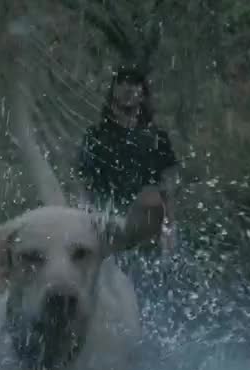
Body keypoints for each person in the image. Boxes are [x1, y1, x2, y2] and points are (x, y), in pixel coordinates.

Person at [74, 66, 181, 261]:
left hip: (144, 226)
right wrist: (83, 221)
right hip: (107, 221)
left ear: (143, 95)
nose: (127, 88)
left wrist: (169, 227)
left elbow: (167, 189)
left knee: (151, 196)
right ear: (113, 91)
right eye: (122, 82)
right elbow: (84, 185)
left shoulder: (157, 138)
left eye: (134, 83)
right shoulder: (96, 136)